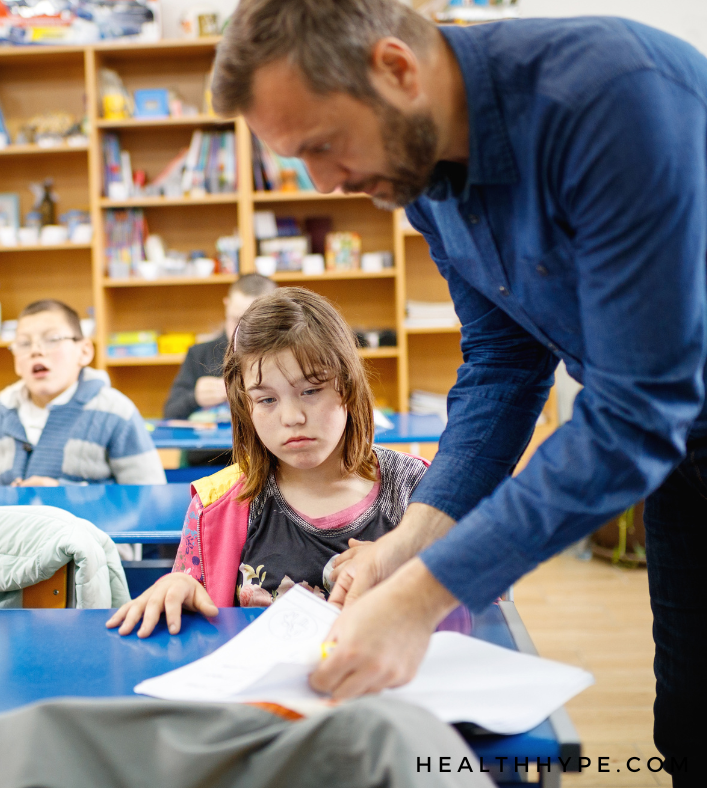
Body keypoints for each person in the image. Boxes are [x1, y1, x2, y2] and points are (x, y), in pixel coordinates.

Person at [211, 1, 707, 782]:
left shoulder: (611, 98)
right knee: (691, 725)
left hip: (667, 423)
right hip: (686, 461)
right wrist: (404, 545)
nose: (328, 184)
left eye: (324, 145)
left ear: (398, 71)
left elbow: (637, 409)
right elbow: (504, 364)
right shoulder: (422, 171)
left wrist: (419, 597)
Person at [107, 287, 428, 637]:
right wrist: (178, 590)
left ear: (348, 386)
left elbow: (474, 609)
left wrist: (405, 569)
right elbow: (190, 595)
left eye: (311, 390)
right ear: (246, 407)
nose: (292, 417)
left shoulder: (419, 489)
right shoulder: (215, 506)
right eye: (267, 399)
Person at [0, 299, 166, 486]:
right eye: (24, 343)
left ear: (84, 352)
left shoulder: (116, 411)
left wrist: (63, 494)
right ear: (16, 361)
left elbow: (148, 495)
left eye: (52, 339)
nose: (36, 351)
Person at [163, 273, 276, 420]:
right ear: (227, 305)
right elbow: (169, 413)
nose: (241, 332)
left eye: (255, 324)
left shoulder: (285, 356)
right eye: (236, 320)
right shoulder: (199, 354)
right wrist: (195, 398)